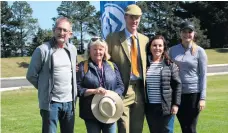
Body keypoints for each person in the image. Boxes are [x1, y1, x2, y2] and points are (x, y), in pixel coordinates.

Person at [26, 17, 77, 133]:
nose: (61, 33)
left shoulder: (73, 50)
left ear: (70, 33)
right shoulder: (42, 50)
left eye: (65, 30)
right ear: (54, 30)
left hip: (69, 103)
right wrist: (45, 88)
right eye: (59, 29)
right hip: (51, 104)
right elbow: (31, 75)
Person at [106, 4, 149, 133]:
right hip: (123, 90)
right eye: (131, 17)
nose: (134, 21)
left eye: (137, 18)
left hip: (140, 90)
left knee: (137, 128)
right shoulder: (112, 38)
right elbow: (103, 61)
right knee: (123, 128)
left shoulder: (145, 40)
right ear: (125, 17)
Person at [76, 37, 125, 133]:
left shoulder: (112, 66)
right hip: (90, 113)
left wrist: (111, 95)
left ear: (105, 51)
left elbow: (120, 86)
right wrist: (94, 91)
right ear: (89, 50)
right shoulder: (82, 66)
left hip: (109, 110)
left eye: (100, 49)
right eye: (94, 49)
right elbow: (77, 88)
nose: (97, 52)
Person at [169, 21, 208, 133]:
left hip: (193, 94)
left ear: (194, 33)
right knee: (183, 126)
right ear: (180, 33)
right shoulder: (172, 50)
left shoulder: (200, 51)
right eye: (184, 32)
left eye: (190, 32)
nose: (187, 34)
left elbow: (203, 76)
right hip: (177, 94)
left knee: (191, 127)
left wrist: (202, 98)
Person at [145, 35, 182, 133]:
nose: (157, 48)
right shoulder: (144, 65)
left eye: (160, 46)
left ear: (164, 48)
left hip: (166, 107)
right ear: (150, 47)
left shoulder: (170, 65)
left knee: (167, 131)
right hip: (150, 108)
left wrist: (176, 104)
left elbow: (177, 85)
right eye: (154, 45)